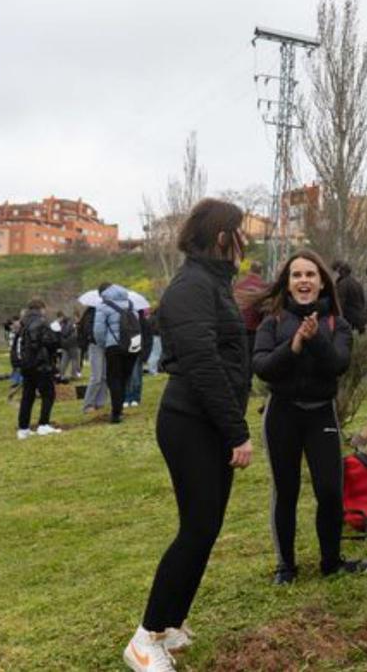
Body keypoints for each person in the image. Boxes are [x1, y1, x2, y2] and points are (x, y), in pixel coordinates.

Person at [124, 198, 254, 671]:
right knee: (196, 528)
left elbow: (229, 357)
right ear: (223, 238)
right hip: (190, 423)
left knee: (207, 527)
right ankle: (144, 640)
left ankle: (171, 624)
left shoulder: (214, 284)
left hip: (210, 422)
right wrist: (237, 432)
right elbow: (203, 366)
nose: (246, 241)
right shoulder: (191, 288)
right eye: (241, 232)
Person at [251, 250, 367, 585]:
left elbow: (338, 364)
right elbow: (261, 368)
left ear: (322, 283)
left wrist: (315, 337)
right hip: (282, 414)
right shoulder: (272, 321)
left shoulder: (338, 323)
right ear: (287, 284)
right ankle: (285, 567)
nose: (303, 280)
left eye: (310, 275)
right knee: (285, 491)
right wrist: (294, 344)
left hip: (321, 413)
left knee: (330, 491)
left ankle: (331, 562)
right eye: (296, 275)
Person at [15, 299, 62, 440]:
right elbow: (50, 343)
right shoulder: (42, 323)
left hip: (27, 365)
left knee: (27, 397)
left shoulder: (22, 324)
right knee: (48, 394)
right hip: (41, 364)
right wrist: (56, 334)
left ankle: (23, 429)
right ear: (41, 308)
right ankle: (44, 424)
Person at [94, 284, 139, 423]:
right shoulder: (131, 304)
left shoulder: (103, 306)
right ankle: (120, 408)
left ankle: (116, 413)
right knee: (124, 378)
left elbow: (99, 330)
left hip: (113, 346)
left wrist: (103, 344)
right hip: (131, 346)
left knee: (114, 379)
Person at [80, 288, 110, 413]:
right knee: (96, 376)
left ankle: (100, 402)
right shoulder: (90, 314)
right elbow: (86, 331)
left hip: (105, 344)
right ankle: (88, 404)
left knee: (104, 376)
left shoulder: (104, 311)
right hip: (95, 345)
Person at [235, 260, 266, 358]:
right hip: (254, 331)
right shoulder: (263, 287)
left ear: (249, 270)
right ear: (261, 272)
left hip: (238, 328)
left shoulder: (238, 285)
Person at [124, 308, 155, 407]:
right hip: (127, 351)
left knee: (136, 377)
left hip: (138, 352)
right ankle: (127, 397)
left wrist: (145, 354)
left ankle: (135, 397)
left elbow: (149, 339)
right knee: (127, 376)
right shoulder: (125, 319)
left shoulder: (144, 323)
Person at [332, 260, 367, 334]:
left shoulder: (343, 284)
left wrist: (336, 319)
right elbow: (363, 302)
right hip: (360, 320)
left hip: (350, 321)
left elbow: (340, 304)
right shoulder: (356, 283)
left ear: (341, 271)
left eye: (336, 270)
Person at [57, 311, 82, 381]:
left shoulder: (62, 324)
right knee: (75, 359)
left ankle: (61, 374)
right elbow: (75, 334)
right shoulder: (72, 324)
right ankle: (74, 374)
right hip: (73, 344)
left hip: (64, 344)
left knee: (64, 360)